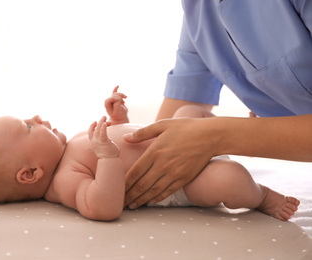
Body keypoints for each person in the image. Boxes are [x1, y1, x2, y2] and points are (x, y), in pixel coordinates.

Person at [0, 86, 299, 221]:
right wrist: (107, 158)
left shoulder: (67, 147)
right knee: (229, 179)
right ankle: (261, 197)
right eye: (27, 127)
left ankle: (237, 133)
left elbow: (126, 138)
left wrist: (120, 121)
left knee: (188, 113)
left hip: (177, 142)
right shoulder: (64, 182)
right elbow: (103, 206)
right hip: (179, 183)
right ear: (30, 174)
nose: (37, 118)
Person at [123, 0, 312, 210]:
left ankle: (263, 196)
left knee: (228, 179)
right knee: (187, 114)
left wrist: (224, 136)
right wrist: (136, 157)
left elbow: (203, 135)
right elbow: (174, 118)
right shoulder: (199, 9)